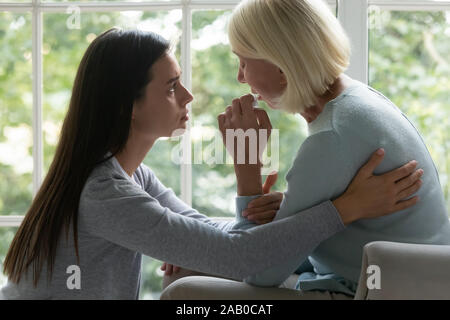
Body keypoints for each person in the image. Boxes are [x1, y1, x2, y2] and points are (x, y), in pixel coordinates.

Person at [0, 28, 421, 300]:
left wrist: (252, 191)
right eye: (170, 87)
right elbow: (240, 258)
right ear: (128, 105)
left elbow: (215, 238)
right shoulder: (103, 192)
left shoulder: (131, 176)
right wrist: (347, 208)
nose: (187, 96)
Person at [160, 0, 450, 300]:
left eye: (244, 62)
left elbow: (257, 268)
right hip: (403, 280)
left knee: (184, 293)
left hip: (368, 291)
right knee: (188, 265)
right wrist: (292, 209)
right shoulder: (357, 103)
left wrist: (247, 168)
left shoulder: (332, 136)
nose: (240, 77)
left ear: (282, 66)